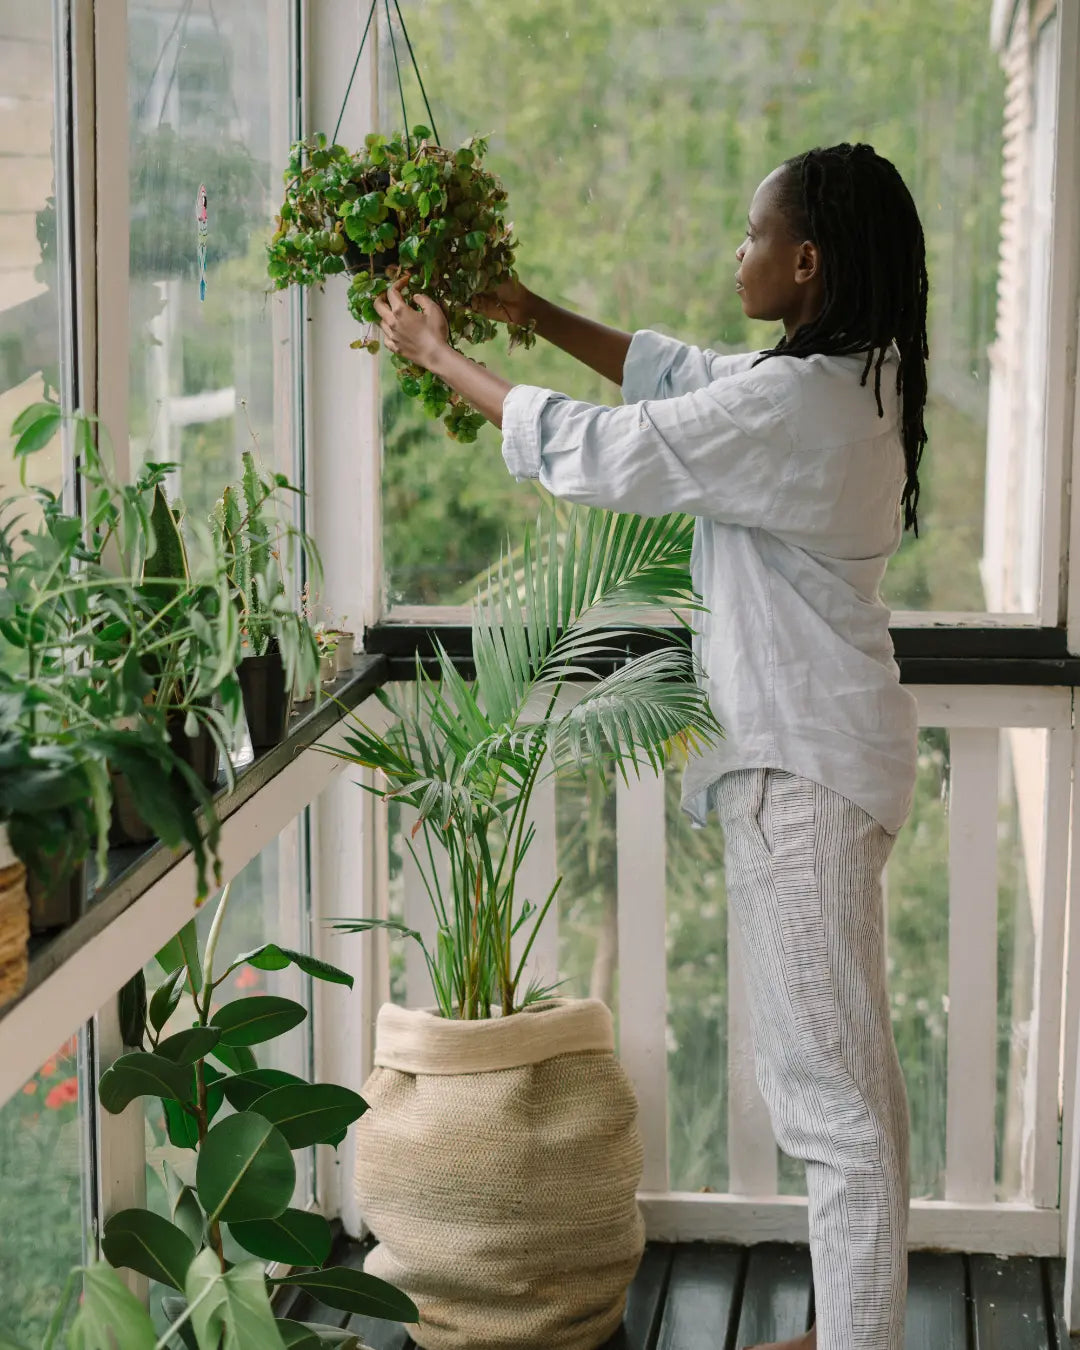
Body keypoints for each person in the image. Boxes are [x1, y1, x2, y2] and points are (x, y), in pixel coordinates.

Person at [374, 140, 926, 1350]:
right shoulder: (855, 378)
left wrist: (441, 356)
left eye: (752, 233)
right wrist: (530, 310)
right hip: (823, 760)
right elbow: (685, 379)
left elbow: (619, 450)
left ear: (809, 259)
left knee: (835, 1106)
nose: (739, 251)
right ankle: (849, 1329)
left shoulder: (802, 406)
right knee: (838, 1084)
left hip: (803, 774)